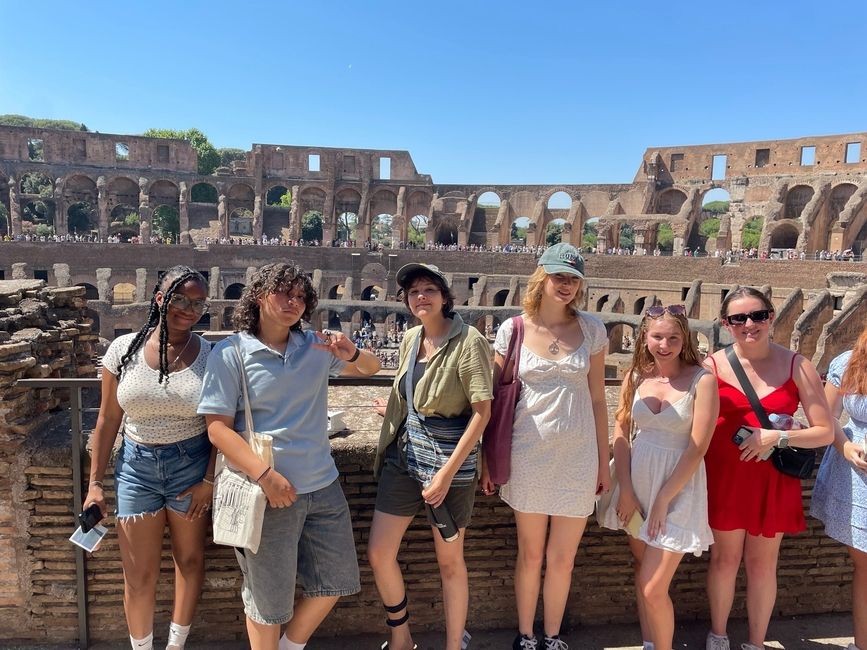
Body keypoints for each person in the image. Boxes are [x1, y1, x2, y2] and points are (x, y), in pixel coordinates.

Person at [197, 262, 381, 650]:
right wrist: (265, 476)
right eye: (284, 292)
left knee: (337, 580)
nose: (293, 302)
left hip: (324, 485)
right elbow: (217, 428)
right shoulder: (231, 353)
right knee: (268, 600)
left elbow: (371, 369)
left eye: (301, 296)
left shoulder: (315, 346)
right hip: (267, 492)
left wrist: (352, 352)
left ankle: (289, 646)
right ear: (260, 295)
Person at [480, 243, 610, 650]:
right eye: (559, 276)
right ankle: (525, 635)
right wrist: (487, 458)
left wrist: (603, 464)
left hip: (577, 457)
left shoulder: (592, 329)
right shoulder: (513, 329)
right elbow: (489, 398)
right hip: (527, 454)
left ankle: (552, 636)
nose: (566, 285)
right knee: (530, 554)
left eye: (573, 278)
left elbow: (597, 399)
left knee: (563, 559)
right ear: (542, 277)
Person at [84, 265, 214, 650]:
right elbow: (107, 420)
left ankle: (176, 647)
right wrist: (94, 484)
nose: (189, 310)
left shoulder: (211, 355)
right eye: (179, 299)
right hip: (136, 468)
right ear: (160, 299)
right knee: (138, 575)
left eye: (198, 303)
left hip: (191, 464)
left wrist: (209, 480)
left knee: (189, 563)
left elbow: (222, 426)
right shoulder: (122, 350)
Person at [368, 263, 492, 650]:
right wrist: (393, 409)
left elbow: (482, 413)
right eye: (414, 292)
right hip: (405, 457)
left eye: (429, 289)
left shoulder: (469, 340)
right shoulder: (410, 339)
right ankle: (401, 636)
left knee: (450, 562)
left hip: (449, 466)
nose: (421, 297)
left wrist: (444, 475)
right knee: (378, 552)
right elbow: (413, 391)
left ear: (444, 296)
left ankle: (454, 644)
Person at [703, 287, 833, 650]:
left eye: (758, 315)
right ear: (726, 324)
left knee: (762, 565)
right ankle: (718, 635)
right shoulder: (711, 365)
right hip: (725, 476)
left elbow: (824, 431)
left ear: (771, 317)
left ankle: (756, 643)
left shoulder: (797, 364)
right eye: (739, 318)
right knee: (724, 560)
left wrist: (775, 437)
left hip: (771, 478)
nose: (750, 325)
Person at [601, 304, 718, 650]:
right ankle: (650, 642)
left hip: (679, 488)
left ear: (685, 339)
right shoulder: (636, 375)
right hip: (637, 483)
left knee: (654, 586)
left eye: (673, 337)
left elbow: (698, 447)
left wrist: (665, 498)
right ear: (645, 337)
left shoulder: (703, 380)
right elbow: (621, 431)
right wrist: (625, 488)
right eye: (657, 337)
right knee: (642, 571)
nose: (664, 344)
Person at [810, 324, 867, 650]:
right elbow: (825, 416)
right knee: (865, 568)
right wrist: (845, 446)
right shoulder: (848, 363)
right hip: (857, 478)